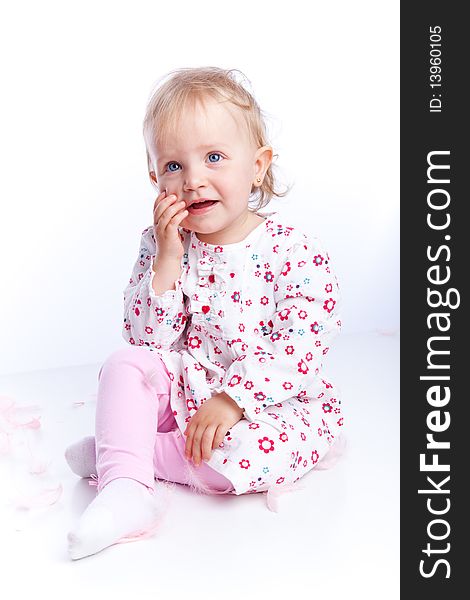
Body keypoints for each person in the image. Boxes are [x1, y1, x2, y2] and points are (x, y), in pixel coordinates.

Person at [65, 66, 344, 560]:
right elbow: (146, 343)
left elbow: (303, 345)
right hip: (187, 387)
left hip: (267, 404)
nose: (193, 180)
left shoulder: (292, 250)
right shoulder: (162, 244)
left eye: (214, 157)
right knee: (124, 365)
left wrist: (234, 397)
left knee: (249, 457)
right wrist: (168, 259)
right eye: (173, 165)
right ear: (154, 175)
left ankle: (123, 456)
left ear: (257, 166)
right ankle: (127, 490)